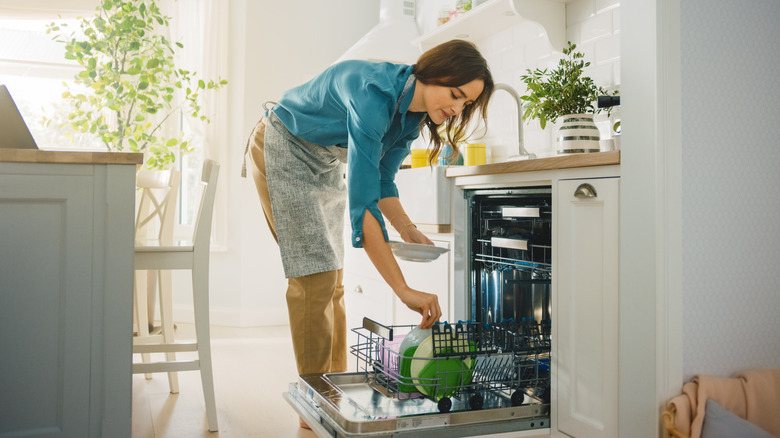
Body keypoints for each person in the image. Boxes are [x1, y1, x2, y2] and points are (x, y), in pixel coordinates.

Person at [244, 40, 493, 425]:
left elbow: (381, 180)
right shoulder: (373, 94)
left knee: (334, 279)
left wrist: (407, 229)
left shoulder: (413, 117)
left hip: (322, 160)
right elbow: (364, 209)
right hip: (283, 145)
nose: (457, 109)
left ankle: (333, 394)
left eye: (466, 104)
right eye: (456, 95)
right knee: (315, 277)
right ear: (433, 72)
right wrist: (404, 290)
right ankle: (313, 410)